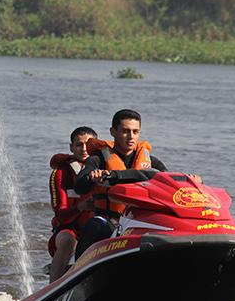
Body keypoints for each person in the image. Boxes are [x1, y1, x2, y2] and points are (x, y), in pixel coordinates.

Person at [73, 109, 169, 257]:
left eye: (135, 132)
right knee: (94, 224)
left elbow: (169, 183)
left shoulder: (151, 163)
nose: (131, 137)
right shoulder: (97, 160)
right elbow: (79, 186)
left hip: (140, 224)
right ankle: (77, 271)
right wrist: (91, 177)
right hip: (109, 223)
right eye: (125, 131)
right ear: (113, 132)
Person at [47, 126, 98, 281]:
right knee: (68, 241)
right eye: (78, 145)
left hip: (100, 227)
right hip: (70, 230)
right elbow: (61, 216)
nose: (84, 149)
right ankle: (52, 291)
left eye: (88, 145)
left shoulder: (107, 168)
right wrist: (79, 207)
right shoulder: (61, 174)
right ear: (71, 147)